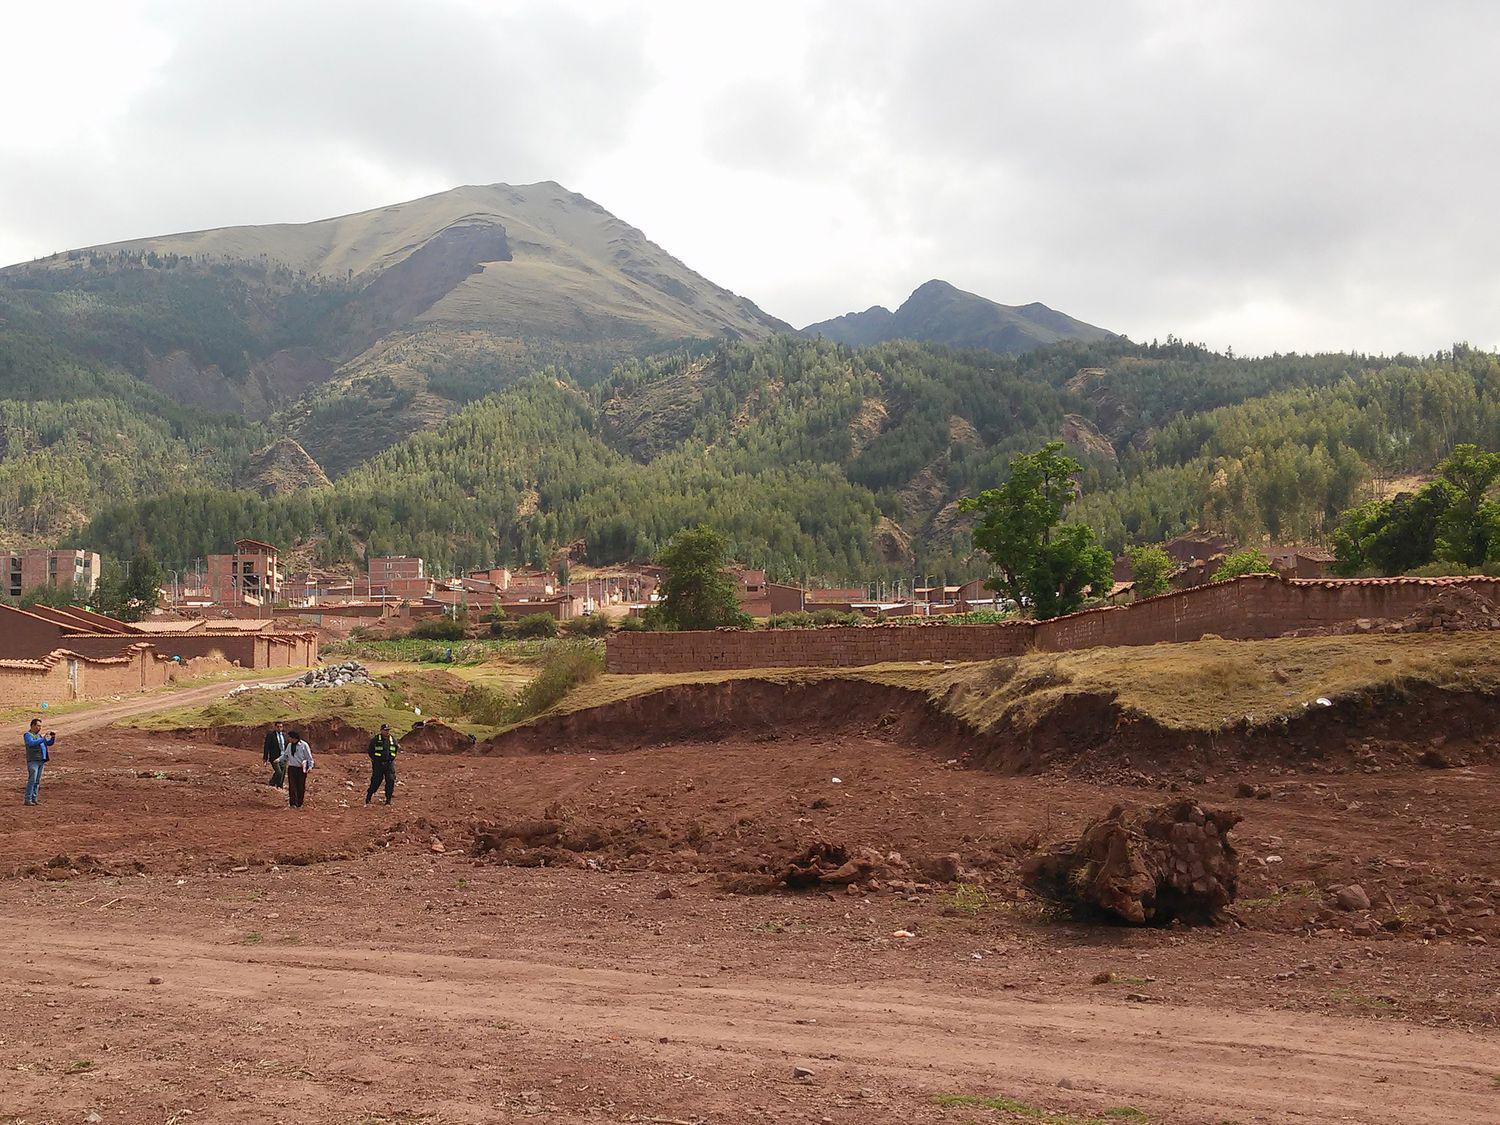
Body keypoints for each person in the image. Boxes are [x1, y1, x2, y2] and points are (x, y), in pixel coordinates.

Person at [277, 730, 314, 809]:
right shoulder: (290, 745)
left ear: (294, 738)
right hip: (292, 768)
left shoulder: (304, 745)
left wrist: (310, 766)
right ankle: (293, 803)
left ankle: (299, 803)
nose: (289, 739)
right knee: (292, 786)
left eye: (290, 737)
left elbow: (309, 757)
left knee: (300, 786)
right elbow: (285, 755)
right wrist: (279, 759)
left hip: (301, 768)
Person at [365, 723, 399, 805]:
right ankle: (369, 796)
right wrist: (376, 760)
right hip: (378, 764)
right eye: (385, 730)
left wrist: (391, 758)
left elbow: (395, 749)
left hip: (389, 764)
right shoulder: (376, 740)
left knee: (390, 780)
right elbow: (370, 751)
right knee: (376, 781)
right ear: (381, 731)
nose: (387, 732)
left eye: (388, 730)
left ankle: (388, 800)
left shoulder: (392, 739)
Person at [23, 719, 55, 807]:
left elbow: (48, 743)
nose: (39, 727)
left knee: (37, 781)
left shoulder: (39, 736)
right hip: (33, 760)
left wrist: (52, 738)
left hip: (40, 760)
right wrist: (43, 739)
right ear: (32, 725)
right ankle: (28, 799)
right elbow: (31, 743)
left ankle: (33, 799)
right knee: (32, 780)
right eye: (38, 725)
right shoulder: (27, 735)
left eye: (40, 726)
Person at [262, 721, 289, 788]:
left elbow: (287, 746)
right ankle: (272, 782)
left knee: (283, 773)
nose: (279, 728)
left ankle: (280, 785)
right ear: (275, 727)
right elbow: (266, 746)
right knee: (278, 772)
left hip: (283, 757)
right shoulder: (271, 735)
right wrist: (265, 758)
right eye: (278, 727)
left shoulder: (284, 735)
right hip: (274, 757)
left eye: (281, 727)